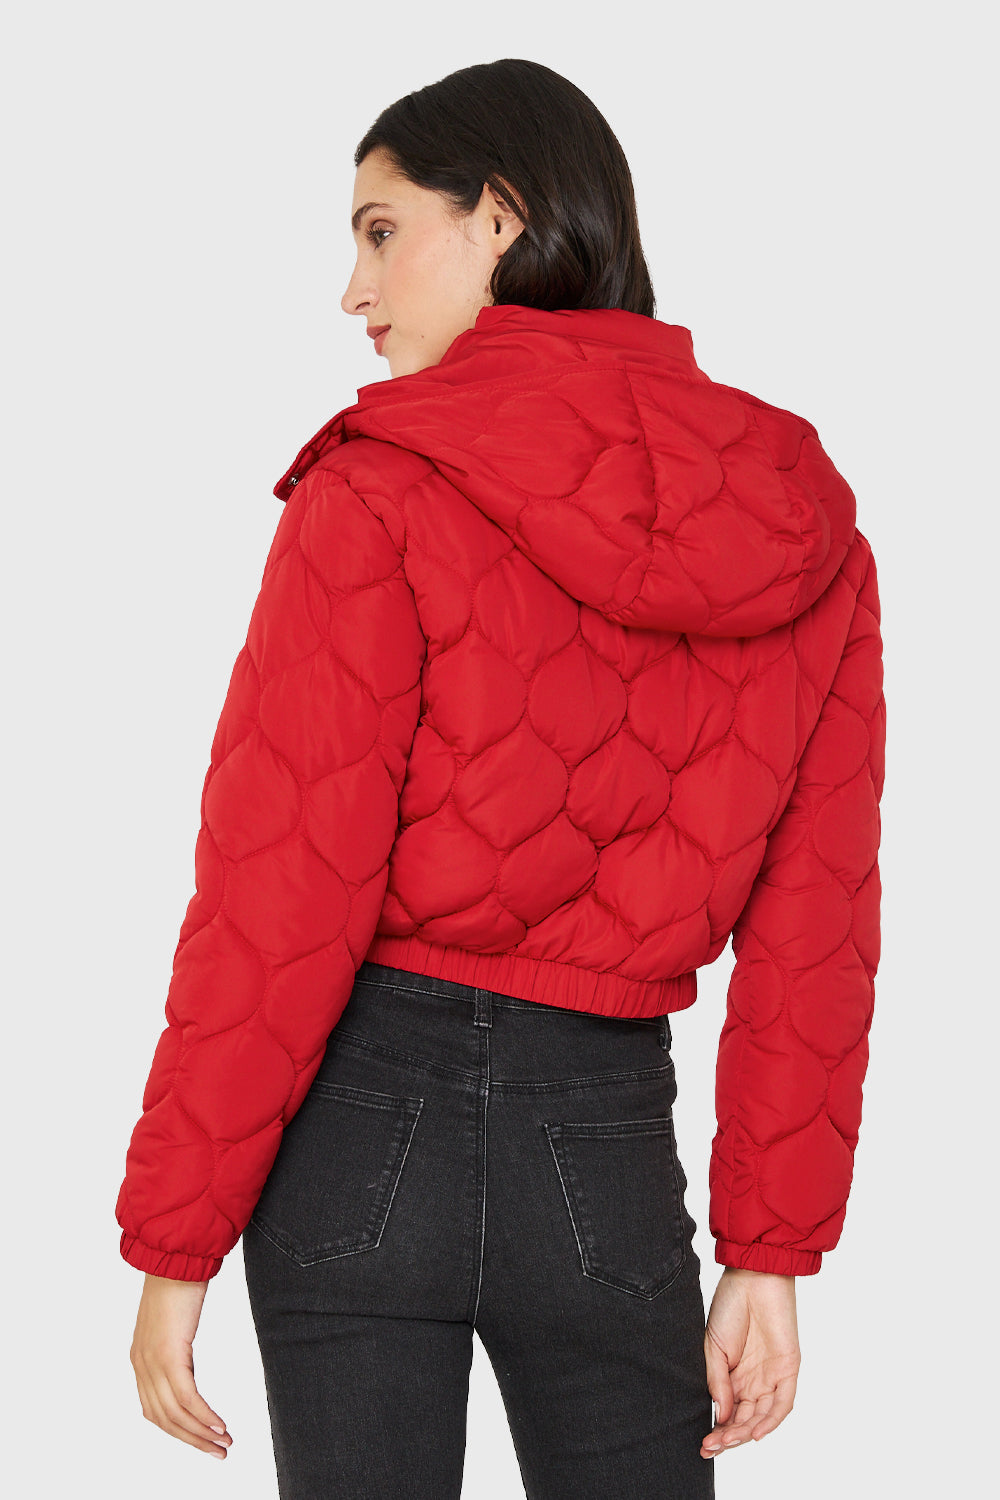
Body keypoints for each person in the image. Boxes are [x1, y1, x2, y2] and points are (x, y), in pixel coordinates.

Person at [117, 58, 885, 1499]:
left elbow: (279, 898)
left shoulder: (376, 487)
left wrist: (175, 1239)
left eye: (381, 230)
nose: (353, 290)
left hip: (360, 1130)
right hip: (605, 1151)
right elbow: (818, 933)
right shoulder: (800, 524)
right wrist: (768, 1255)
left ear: (501, 216)